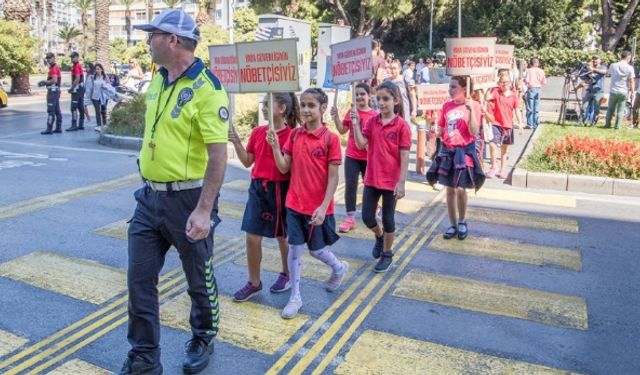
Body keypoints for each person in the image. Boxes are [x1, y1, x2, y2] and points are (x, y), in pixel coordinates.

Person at [120, 9, 229, 375]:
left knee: (199, 278)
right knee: (139, 280)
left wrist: (203, 209)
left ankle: (203, 335)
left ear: (173, 40)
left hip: (189, 200)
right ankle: (145, 357)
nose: (146, 41)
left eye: (152, 35)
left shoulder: (208, 89)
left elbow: (218, 155)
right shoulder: (158, 79)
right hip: (149, 199)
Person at [267, 88, 349, 319]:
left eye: (311, 105)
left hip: (318, 208)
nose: (305, 110)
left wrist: (323, 207)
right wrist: (274, 146)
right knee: (295, 250)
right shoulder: (294, 136)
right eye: (302, 105)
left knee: (317, 250)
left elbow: (333, 177)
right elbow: (284, 167)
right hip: (294, 204)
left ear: (323, 108)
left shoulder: (330, 139)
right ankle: (295, 296)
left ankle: (338, 267)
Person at [229, 93, 300, 302]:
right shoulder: (258, 132)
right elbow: (246, 161)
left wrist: (276, 145)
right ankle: (254, 282)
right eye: (263, 104)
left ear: (282, 109)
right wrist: (236, 142)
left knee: (282, 236)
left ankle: (287, 273)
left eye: (268, 104)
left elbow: (286, 168)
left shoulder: (292, 135)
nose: (263, 108)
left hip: (280, 188)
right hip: (257, 188)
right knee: (251, 236)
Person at [351, 81, 411, 273]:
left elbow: (404, 156)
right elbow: (361, 144)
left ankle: (387, 253)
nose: (382, 103)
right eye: (379, 99)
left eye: (386, 99)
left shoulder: (402, 126)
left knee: (388, 219)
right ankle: (379, 236)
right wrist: (355, 125)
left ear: (396, 100)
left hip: (391, 181)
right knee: (367, 216)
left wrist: (401, 182)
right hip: (373, 178)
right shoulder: (372, 122)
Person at [427, 77, 485, 240]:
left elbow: (474, 132)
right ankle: (452, 225)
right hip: (448, 151)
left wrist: (471, 110)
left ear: (464, 89)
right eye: (449, 87)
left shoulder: (474, 105)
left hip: (464, 151)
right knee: (450, 190)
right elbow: (441, 128)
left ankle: (462, 221)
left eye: (453, 87)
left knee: (461, 189)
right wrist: (434, 132)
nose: (450, 90)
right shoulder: (446, 106)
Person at [330, 83, 378, 233]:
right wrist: (336, 117)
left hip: (368, 157)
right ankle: (350, 218)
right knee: (350, 186)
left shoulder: (375, 115)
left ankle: (374, 208)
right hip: (352, 155)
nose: (359, 97)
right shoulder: (351, 112)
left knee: (370, 186)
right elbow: (342, 130)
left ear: (369, 95)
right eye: (356, 94)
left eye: (362, 94)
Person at [485, 75, 524, 179]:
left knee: (504, 149)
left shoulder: (514, 95)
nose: (504, 84)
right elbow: (487, 97)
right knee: (492, 144)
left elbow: (516, 110)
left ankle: (502, 170)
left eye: (506, 82)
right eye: (502, 82)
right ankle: (493, 167)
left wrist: (520, 123)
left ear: (510, 83)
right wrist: (490, 86)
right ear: (499, 83)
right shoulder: (496, 92)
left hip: (508, 125)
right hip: (496, 123)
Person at [605, 51, 635, 130]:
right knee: (621, 110)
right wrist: (632, 92)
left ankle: (607, 124)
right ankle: (617, 126)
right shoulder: (630, 68)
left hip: (613, 90)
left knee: (610, 109)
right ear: (628, 57)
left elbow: (608, 74)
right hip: (623, 91)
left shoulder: (613, 65)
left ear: (620, 56)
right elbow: (632, 81)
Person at [83, 63, 115, 132]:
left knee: (103, 110)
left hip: (103, 97)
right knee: (97, 111)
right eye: (96, 69)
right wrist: (89, 95)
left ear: (101, 69)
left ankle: (105, 123)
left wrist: (106, 87)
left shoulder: (105, 76)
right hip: (95, 96)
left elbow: (109, 86)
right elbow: (90, 87)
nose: (97, 70)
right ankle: (98, 125)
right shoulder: (93, 77)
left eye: (98, 69)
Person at [386, 59, 416, 124]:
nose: (393, 70)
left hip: (404, 109)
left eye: (394, 68)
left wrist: (414, 110)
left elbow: (412, 95)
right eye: (391, 68)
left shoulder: (405, 79)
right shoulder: (386, 81)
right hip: (391, 110)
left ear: (399, 69)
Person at [581, 55, 607, 126]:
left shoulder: (602, 67)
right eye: (593, 59)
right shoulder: (589, 68)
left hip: (598, 91)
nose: (595, 60)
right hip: (589, 90)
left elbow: (604, 72)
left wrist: (593, 69)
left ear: (600, 60)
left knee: (596, 109)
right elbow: (584, 78)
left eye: (596, 59)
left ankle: (593, 123)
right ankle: (583, 122)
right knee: (584, 107)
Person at [40, 52, 63, 135]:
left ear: (54, 58)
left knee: (51, 111)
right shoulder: (54, 67)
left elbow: (54, 80)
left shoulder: (53, 68)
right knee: (57, 110)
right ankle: (58, 127)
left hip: (53, 92)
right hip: (55, 91)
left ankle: (49, 128)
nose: (48, 59)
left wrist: (44, 82)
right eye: (47, 58)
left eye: (50, 58)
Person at [524, 58, 546, 129]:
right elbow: (544, 82)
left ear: (531, 64)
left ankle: (530, 124)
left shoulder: (529, 71)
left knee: (530, 107)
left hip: (531, 88)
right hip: (538, 88)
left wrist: (525, 81)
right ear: (538, 63)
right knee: (536, 107)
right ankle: (536, 123)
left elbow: (527, 80)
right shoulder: (541, 71)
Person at [66, 52, 85, 131]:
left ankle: (74, 124)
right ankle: (81, 124)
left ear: (77, 57)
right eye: (71, 57)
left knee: (73, 108)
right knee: (80, 107)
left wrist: (72, 88)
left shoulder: (76, 66)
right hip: (80, 89)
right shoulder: (78, 66)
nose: (72, 59)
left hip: (77, 89)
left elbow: (77, 78)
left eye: (73, 57)